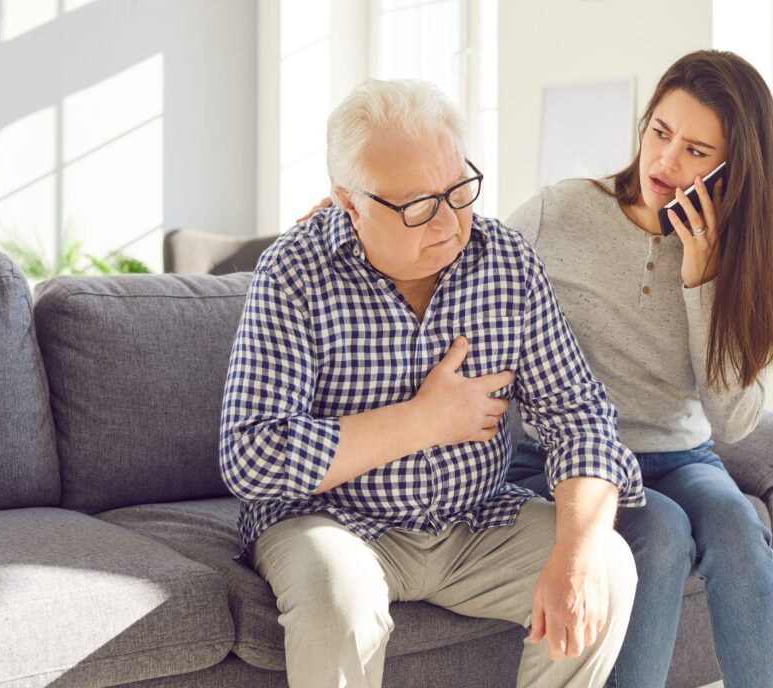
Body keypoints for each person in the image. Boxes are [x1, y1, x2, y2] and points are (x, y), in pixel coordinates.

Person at [219, 78, 644, 688]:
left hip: (477, 521)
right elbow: (252, 459)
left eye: (458, 189)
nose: (449, 221)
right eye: (419, 204)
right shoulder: (293, 272)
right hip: (331, 522)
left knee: (607, 562)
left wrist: (575, 555)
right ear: (349, 202)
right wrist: (423, 421)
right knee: (339, 598)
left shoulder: (507, 262)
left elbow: (580, 417)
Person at [505, 50, 773, 688]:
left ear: (732, 169)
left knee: (739, 530)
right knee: (659, 534)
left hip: (681, 457)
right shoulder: (562, 211)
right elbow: (461, 264)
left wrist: (703, 279)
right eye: (660, 133)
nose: (665, 162)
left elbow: (736, 421)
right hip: (564, 456)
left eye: (696, 150)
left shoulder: (742, 258)